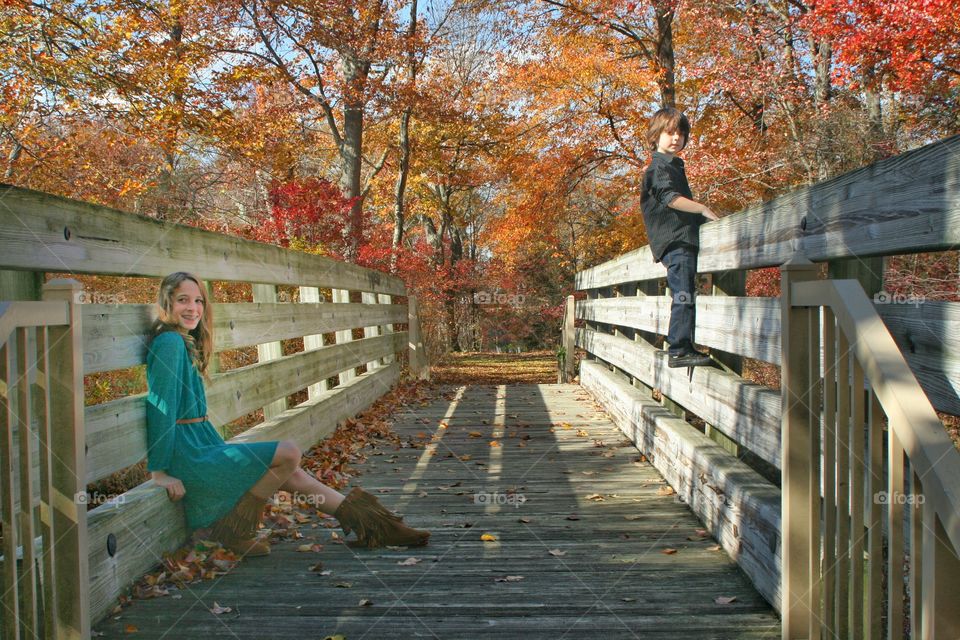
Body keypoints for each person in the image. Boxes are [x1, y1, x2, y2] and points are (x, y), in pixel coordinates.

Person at [145, 271, 430, 557]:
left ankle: (375, 527)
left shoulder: (183, 341)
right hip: (190, 456)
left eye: (198, 301)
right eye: (183, 300)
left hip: (202, 445)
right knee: (288, 453)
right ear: (166, 302)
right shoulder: (169, 344)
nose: (193, 308)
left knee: (292, 474)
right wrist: (159, 473)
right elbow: (160, 407)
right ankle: (234, 528)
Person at [640, 107, 720, 368]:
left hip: (679, 240)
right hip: (675, 241)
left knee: (685, 292)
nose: (676, 138)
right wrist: (702, 209)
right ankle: (679, 349)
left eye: (681, 133)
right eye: (670, 132)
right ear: (656, 135)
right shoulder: (658, 168)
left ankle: (683, 346)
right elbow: (671, 199)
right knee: (683, 294)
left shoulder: (673, 165)